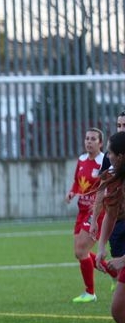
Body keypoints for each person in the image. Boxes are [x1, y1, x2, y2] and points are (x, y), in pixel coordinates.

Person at [65, 128, 106, 303]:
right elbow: (77, 182)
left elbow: (106, 188)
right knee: (80, 252)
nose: (88, 141)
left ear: (100, 143)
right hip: (82, 211)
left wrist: (97, 213)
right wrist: (72, 192)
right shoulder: (81, 160)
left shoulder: (104, 161)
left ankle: (90, 293)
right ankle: (114, 272)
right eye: (87, 138)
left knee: (81, 251)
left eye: (93, 139)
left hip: (96, 212)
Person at [95, 131, 125, 323]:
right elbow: (111, 213)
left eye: (110, 152)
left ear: (121, 156)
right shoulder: (116, 178)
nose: (107, 155)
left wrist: (123, 260)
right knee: (118, 309)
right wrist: (101, 247)